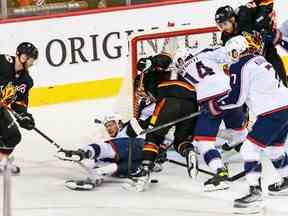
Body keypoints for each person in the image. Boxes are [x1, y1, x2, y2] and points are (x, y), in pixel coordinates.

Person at [208, 35, 288, 211]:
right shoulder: (259, 59)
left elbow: (237, 99)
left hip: (272, 112)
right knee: (273, 149)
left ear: (236, 50)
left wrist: (215, 105)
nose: (231, 57)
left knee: (249, 149)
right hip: (284, 107)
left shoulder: (240, 65)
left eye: (231, 53)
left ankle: (255, 195)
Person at [127, 52, 199, 191]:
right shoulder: (169, 72)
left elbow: (164, 58)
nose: (142, 95)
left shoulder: (148, 77)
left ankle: (144, 172)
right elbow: (165, 60)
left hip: (170, 100)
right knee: (181, 140)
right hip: (192, 102)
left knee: (153, 137)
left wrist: (148, 62)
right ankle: (188, 151)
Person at [215, 2, 287, 86]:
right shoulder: (225, 37)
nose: (223, 28)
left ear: (233, 19)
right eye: (220, 26)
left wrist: (265, 23)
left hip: (265, 45)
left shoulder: (244, 13)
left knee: (271, 54)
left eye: (225, 24)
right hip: (253, 57)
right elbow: (228, 55)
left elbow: (265, 4)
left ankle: (284, 84)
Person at [0, 42, 38, 174]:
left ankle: (2, 161)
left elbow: (19, 103)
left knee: (13, 136)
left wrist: (24, 116)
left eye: (31, 60)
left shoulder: (26, 81)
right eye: (25, 57)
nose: (28, 62)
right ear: (17, 54)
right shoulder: (3, 62)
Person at [60, 137, 144, 190]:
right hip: (129, 147)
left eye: (110, 125)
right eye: (107, 126)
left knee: (109, 167)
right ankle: (83, 153)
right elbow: (104, 148)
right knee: (109, 151)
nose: (109, 128)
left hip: (133, 158)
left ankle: (95, 175)